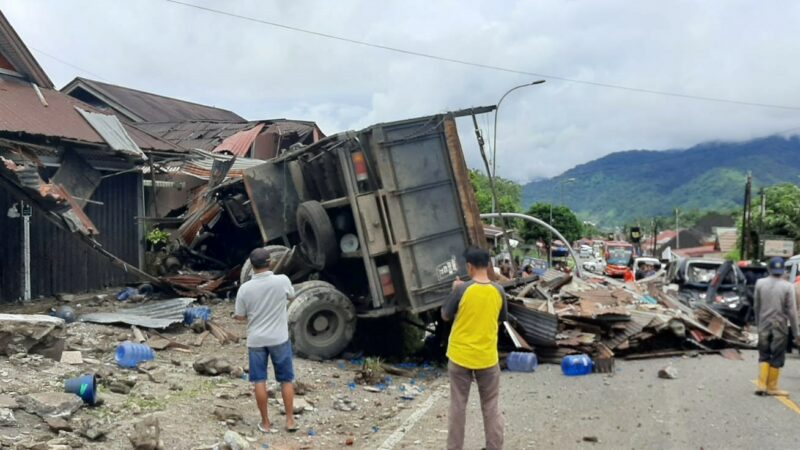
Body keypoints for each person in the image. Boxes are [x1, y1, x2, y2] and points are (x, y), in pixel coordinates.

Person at [441, 247, 508, 450]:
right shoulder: (499, 291)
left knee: (458, 407)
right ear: (488, 265)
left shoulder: (462, 289)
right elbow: (501, 319)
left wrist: (454, 290)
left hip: (460, 356)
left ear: (469, 267)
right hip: (487, 358)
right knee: (491, 407)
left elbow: (445, 315)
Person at [234, 248, 299, 433]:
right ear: (269, 262)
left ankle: (266, 423)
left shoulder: (245, 289)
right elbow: (291, 296)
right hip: (279, 338)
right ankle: (289, 421)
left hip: (256, 340)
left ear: (252, 266)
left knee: (259, 381)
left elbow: (239, 317)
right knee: (286, 380)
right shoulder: (282, 280)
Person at [754, 257, 800, 396]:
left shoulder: (759, 283)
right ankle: (772, 387)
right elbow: (792, 311)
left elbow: (756, 306)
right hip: (780, 325)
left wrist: (758, 323)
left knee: (764, 354)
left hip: (763, 324)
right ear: (783, 271)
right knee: (777, 355)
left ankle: (762, 385)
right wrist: (796, 332)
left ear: (769, 269)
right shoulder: (788, 286)